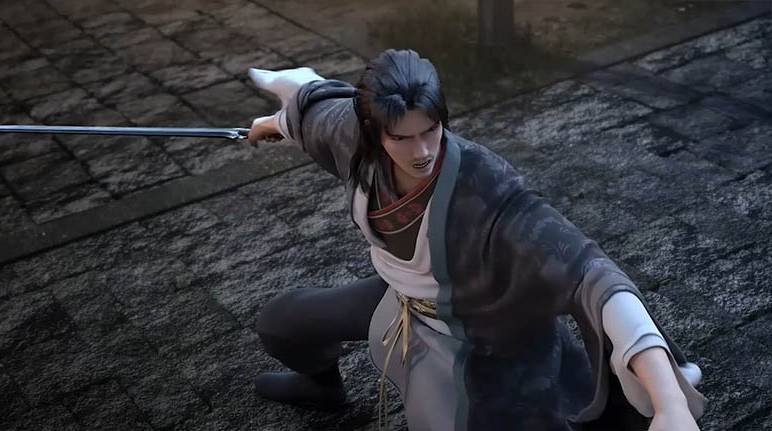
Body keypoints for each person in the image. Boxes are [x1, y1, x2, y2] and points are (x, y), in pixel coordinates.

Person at [247, 49, 706, 431]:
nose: (421, 151)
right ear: (372, 131)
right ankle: (323, 387)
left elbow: (593, 276)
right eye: (402, 138)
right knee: (281, 324)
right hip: (403, 299)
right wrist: (273, 123)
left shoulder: (485, 188)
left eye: (430, 130)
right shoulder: (354, 133)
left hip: (488, 333)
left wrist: (669, 402)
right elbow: (314, 106)